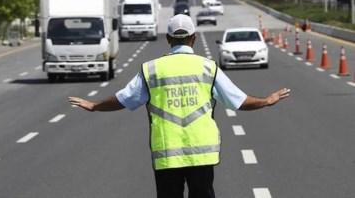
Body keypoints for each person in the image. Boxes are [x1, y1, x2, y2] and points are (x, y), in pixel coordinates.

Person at [68, 14, 290, 198]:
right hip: (202, 155)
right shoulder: (207, 68)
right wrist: (267, 100)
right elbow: (238, 101)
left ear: (168, 39)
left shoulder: (152, 69)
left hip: (167, 155)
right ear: (194, 38)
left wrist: (95, 105)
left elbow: (124, 99)